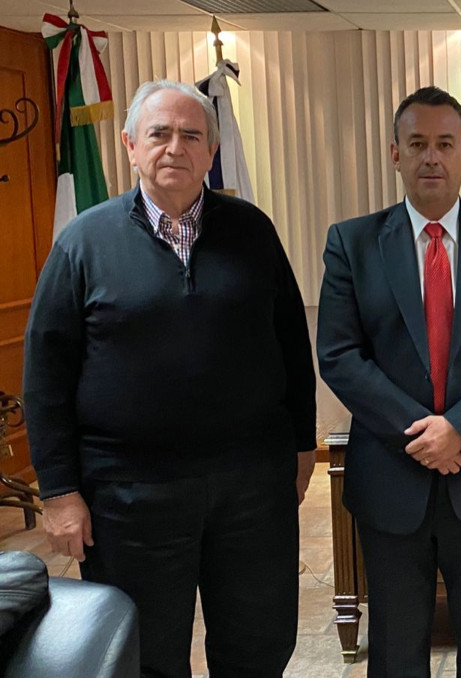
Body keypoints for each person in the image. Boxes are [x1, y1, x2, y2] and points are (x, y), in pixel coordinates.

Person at [23, 79, 316, 677]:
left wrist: (303, 446)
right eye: (159, 133)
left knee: (259, 646)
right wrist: (59, 492)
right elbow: (46, 375)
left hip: (251, 489)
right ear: (130, 145)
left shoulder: (252, 231)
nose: (175, 147)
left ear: (211, 152)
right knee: (143, 656)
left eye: (191, 135)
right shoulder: (83, 243)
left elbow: (291, 344)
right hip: (128, 497)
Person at [316, 85, 461, 678]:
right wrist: (422, 434)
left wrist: (460, 428)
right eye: (417, 144)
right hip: (391, 481)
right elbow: (339, 355)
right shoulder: (353, 243)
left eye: (445, 144)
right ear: (395, 153)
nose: (431, 158)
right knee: (395, 652)